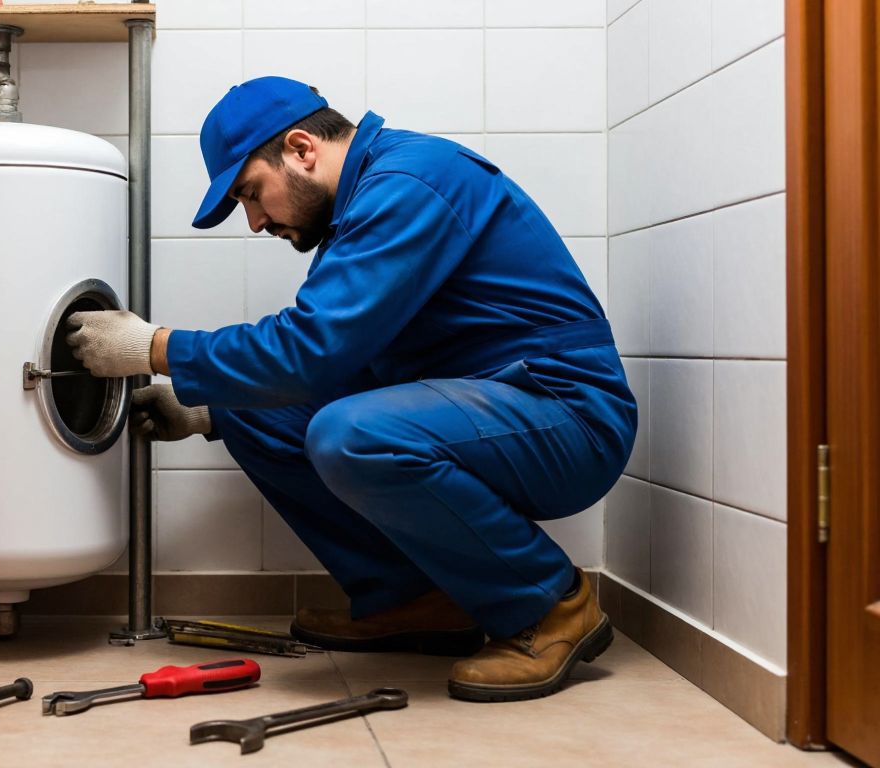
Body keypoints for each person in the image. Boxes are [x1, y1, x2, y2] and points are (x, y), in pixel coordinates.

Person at [65, 76, 636, 702]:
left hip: (567, 416)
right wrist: (210, 408)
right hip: (490, 404)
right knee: (249, 410)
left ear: (302, 148)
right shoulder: (365, 206)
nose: (255, 221)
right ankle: (424, 599)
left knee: (350, 436)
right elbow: (349, 364)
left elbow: (310, 350)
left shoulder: (408, 184)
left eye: (251, 194)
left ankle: (551, 604)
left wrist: (153, 347)